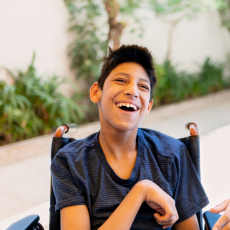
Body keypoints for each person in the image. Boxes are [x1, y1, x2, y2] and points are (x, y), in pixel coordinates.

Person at [51, 45, 209, 230]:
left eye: (142, 86)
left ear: (148, 106)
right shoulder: (70, 162)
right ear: (96, 92)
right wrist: (141, 191)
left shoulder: (172, 153)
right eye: (121, 80)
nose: (132, 91)